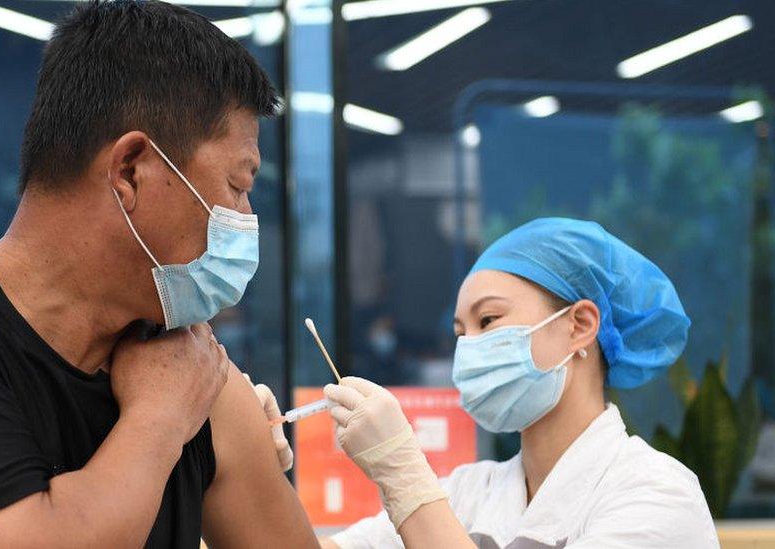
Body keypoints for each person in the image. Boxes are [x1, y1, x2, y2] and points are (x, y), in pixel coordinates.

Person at [0, 1, 319, 547]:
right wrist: (160, 420)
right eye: (238, 185)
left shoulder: (188, 365)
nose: (246, 218)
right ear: (130, 170)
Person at [255, 218, 719, 548]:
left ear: (580, 326)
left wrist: (403, 477)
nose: (469, 348)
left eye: (489, 320)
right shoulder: (467, 492)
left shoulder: (657, 494)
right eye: (460, 332)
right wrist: (251, 466)